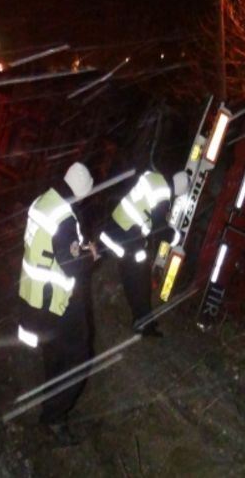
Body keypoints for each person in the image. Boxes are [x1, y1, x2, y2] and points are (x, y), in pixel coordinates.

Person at [17, 161, 98, 446]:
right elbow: (71, 263)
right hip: (56, 302)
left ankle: (51, 401)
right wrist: (91, 255)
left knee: (54, 356)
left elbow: (48, 249)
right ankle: (53, 417)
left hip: (34, 296)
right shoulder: (65, 217)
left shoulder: (44, 201)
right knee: (78, 359)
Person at [98, 169, 190, 337]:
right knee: (139, 280)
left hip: (118, 228)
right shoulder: (163, 194)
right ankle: (143, 323)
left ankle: (143, 319)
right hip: (126, 235)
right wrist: (177, 237)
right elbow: (159, 228)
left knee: (135, 276)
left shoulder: (154, 178)